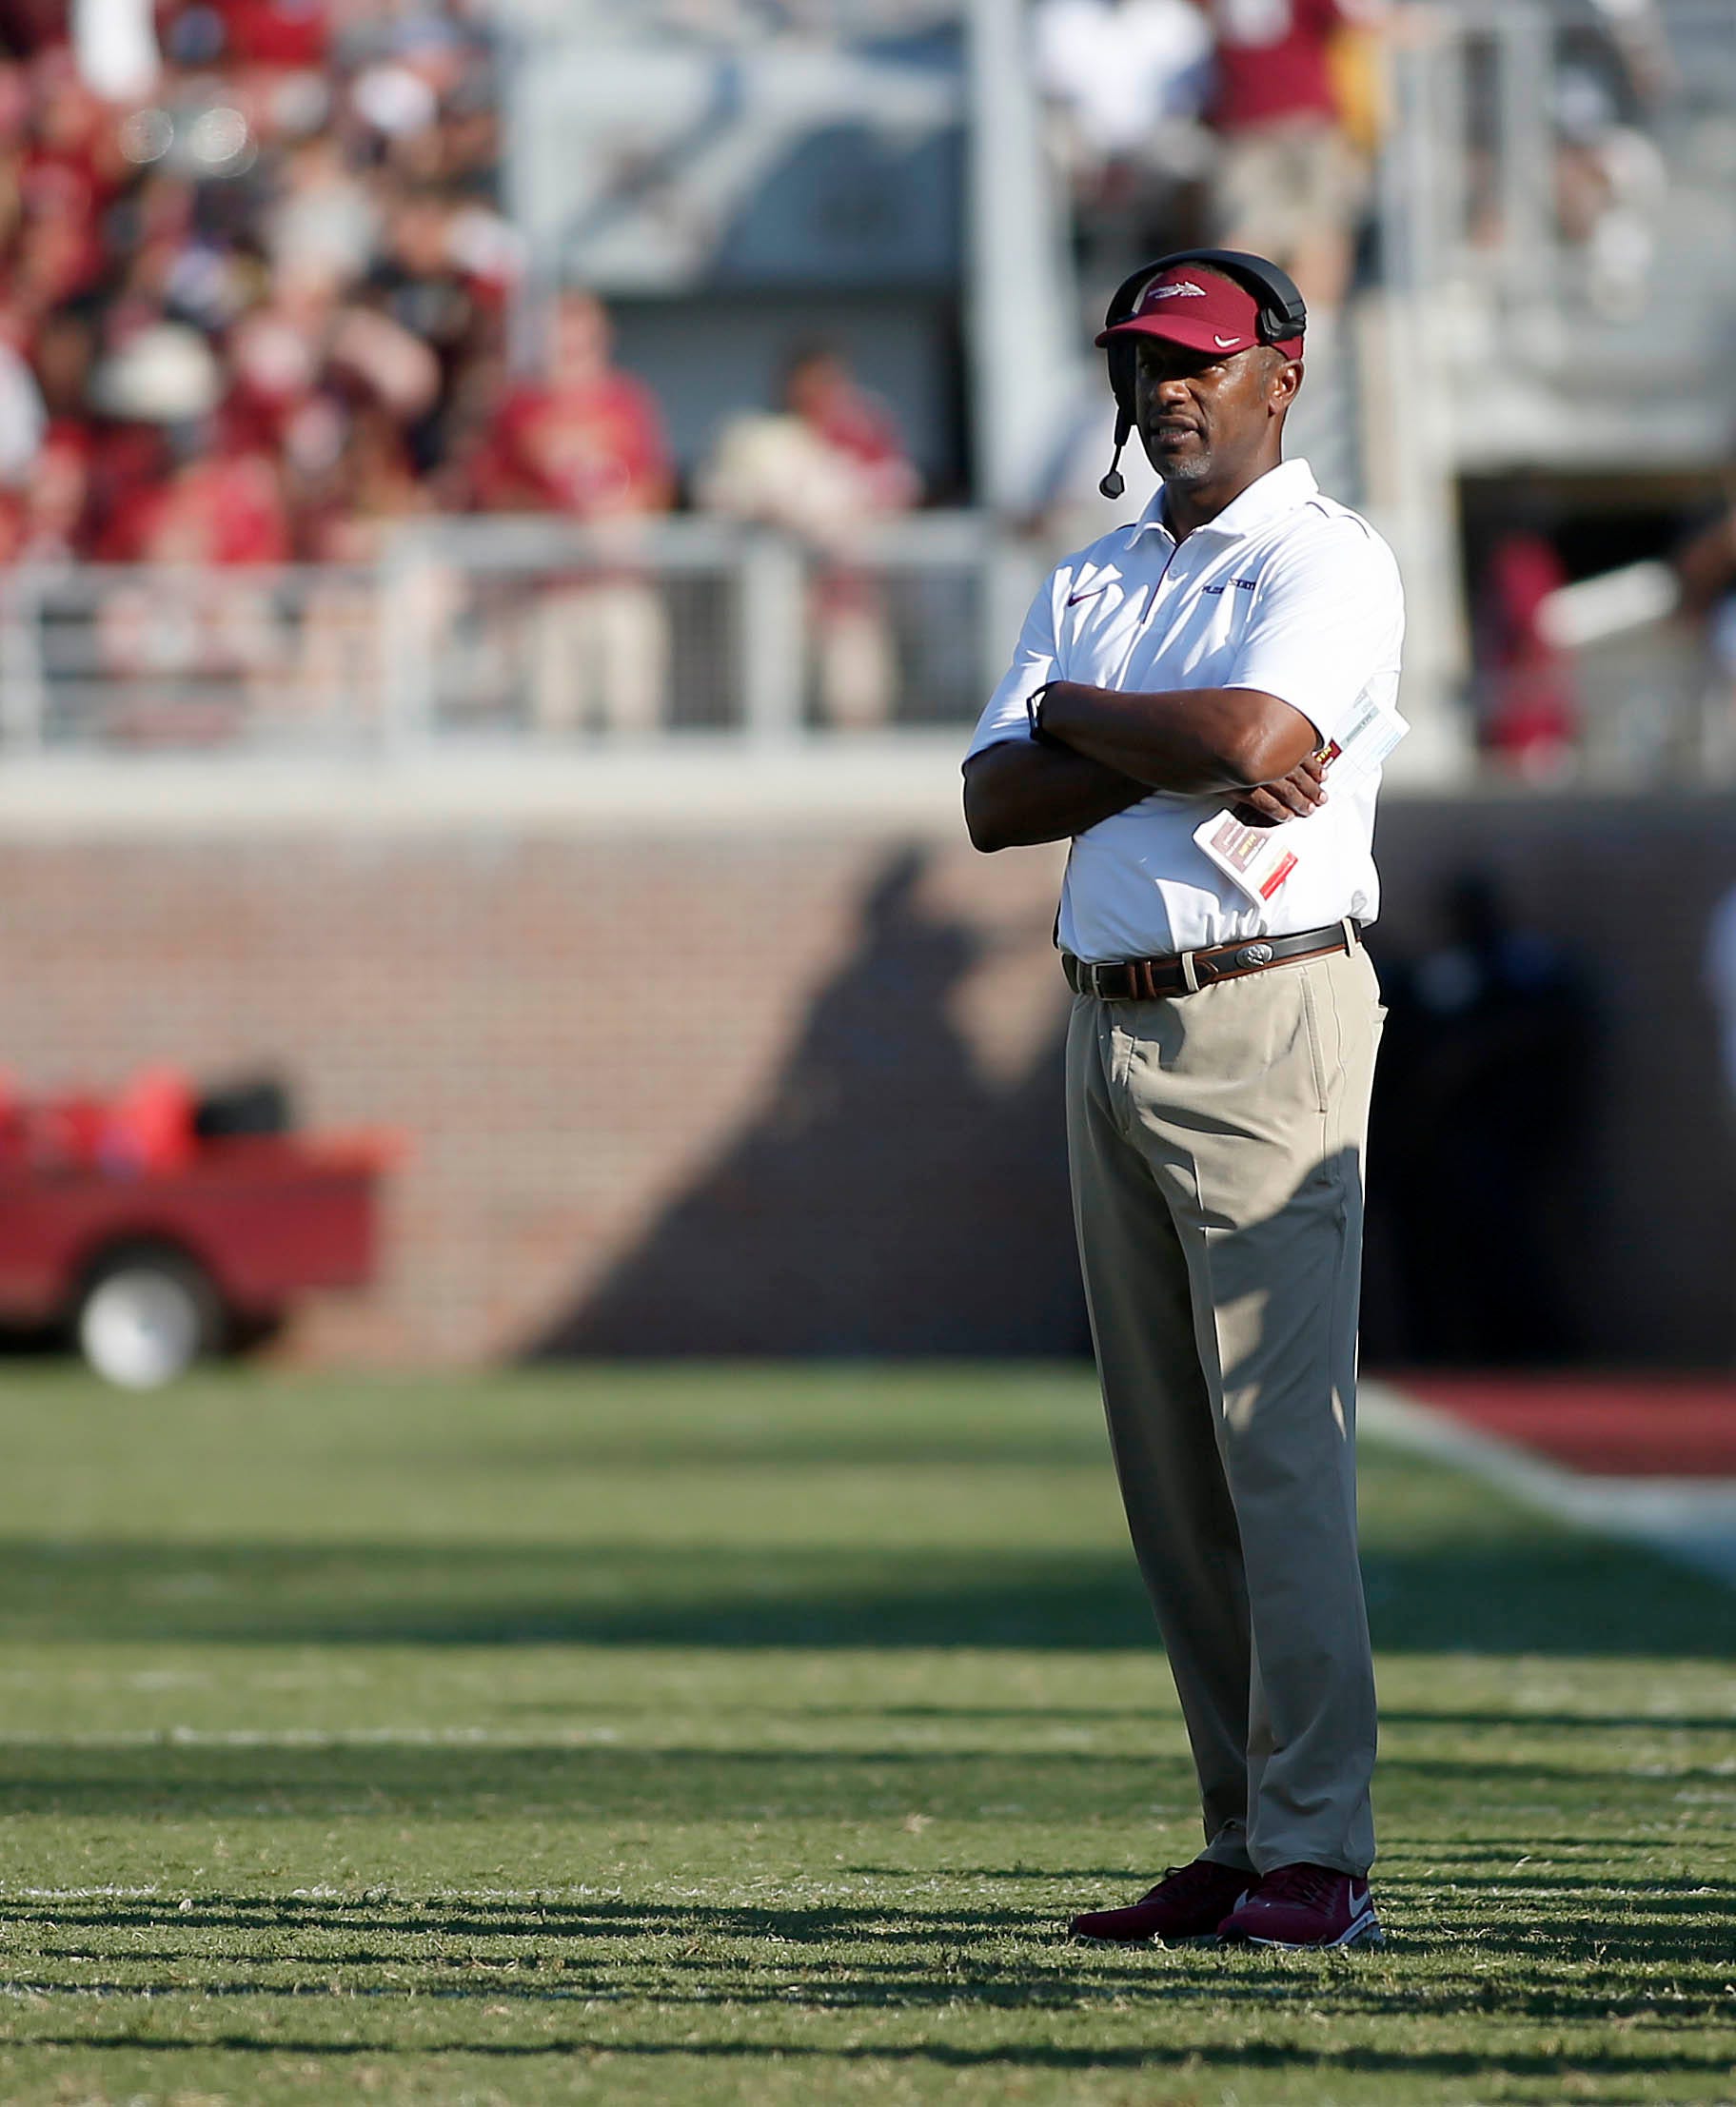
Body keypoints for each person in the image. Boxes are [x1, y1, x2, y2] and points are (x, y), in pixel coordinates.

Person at [961, 250, 1403, 1949]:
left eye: (1201, 360)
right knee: (1168, 1467)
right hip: (1105, 1023)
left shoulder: (1328, 556)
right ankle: (1236, 1831)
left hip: (1266, 1008)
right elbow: (1003, 802)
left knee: (1278, 1451)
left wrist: (1101, 722)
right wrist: (1133, 724)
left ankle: (1320, 1850)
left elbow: (1262, 732)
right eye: (1143, 360)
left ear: (1283, 374)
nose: (1165, 390)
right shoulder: (1092, 573)